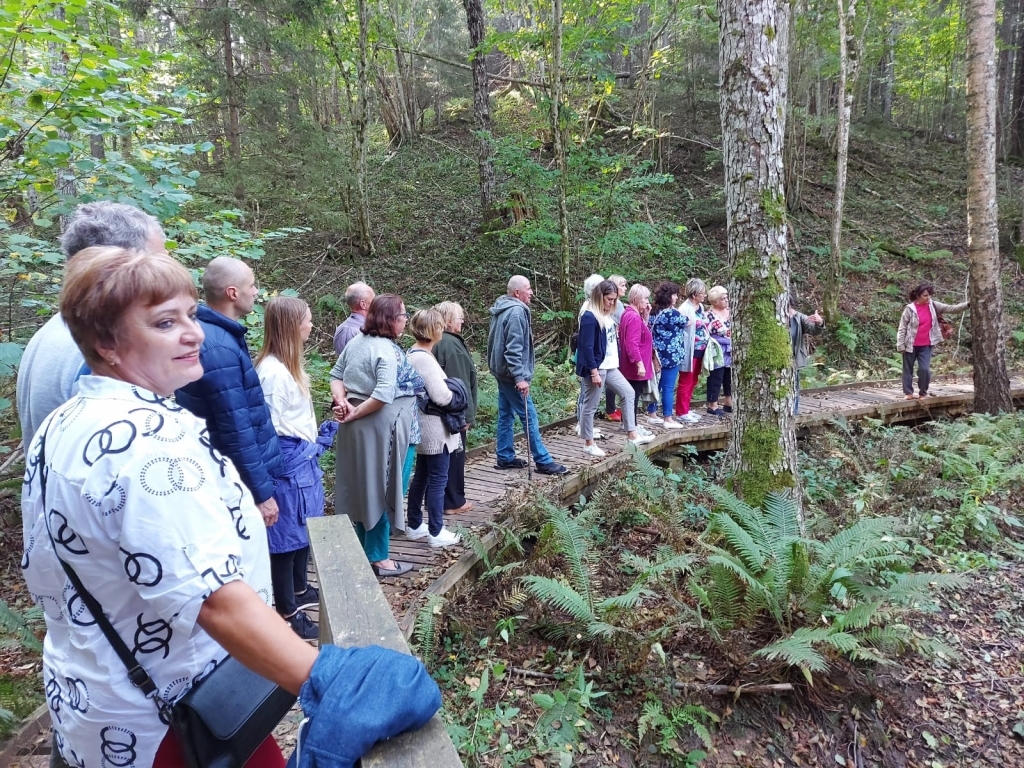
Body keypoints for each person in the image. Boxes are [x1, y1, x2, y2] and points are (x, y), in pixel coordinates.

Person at [23, 246, 317, 768]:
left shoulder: (65, 421)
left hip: (94, 698)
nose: (194, 332)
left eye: (189, 313)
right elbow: (213, 601)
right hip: (175, 715)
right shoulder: (149, 442)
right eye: (164, 322)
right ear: (105, 342)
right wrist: (330, 682)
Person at [16, 201, 165, 449]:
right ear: (122, 267)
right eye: (159, 262)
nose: (170, 273)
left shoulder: (56, 329)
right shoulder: (105, 346)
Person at [176, 257, 284, 529]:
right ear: (232, 293)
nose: (256, 291)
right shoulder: (219, 347)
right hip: (232, 482)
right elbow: (235, 427)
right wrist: (261, 493)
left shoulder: (217, 334)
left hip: (229, 475)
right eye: (252, 285)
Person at [256, 297, 337, 641]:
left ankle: (300, 590)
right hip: (286, 464)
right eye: (307, 320)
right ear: (292, 326)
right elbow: (269, 428)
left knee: (302, 530)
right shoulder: (272, 372)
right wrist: (288, 464)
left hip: (301, 460)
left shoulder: (289, 367)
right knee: (285, 538)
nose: (312, 325)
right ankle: (286, 610)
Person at [331, 294, 418, 578]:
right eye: (402, 315)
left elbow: (336, 375)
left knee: (360, 488)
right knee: (385, 489)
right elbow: (383, 394)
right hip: (384, 429)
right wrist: (353, 412)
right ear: (390, 319)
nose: (405, 320)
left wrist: (342, 402)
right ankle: (379, 557)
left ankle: (362, 549)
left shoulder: (357, 342)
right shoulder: (386, 350)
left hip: (358, 426)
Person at [486, 276, 568, 474]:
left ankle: (505, 456)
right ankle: (542, 460)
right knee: (528, 415)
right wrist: (520, 378)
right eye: (528, 289)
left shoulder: (502, 308)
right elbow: (512, 349)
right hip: (511, 376)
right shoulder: (515, 312)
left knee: (505, 415)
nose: (531, 292)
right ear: (517, 293)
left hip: (502, 372)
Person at [404, 309, 463, 548]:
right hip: (434, 428)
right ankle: (436, 531)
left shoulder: (412, 354)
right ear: (434, 330)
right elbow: (440, 395)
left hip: (425, 425)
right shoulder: (424, 359)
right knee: (438, 479)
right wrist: (456, 395)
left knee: (422, 477)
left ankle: (415, 524)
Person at [577, 280, 654, 458]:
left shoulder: (607, 314)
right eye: (609, 299)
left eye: (614, 299)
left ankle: (632, 434)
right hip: (598, 367)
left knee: (628, 392)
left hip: (611, 366)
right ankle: (589, 443)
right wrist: (594, 371)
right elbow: (587, 347)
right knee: (591, 405)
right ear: (600, 296)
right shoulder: (590, 316)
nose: (612, 302)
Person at [433, 301, 478, 515]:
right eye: (459, 317)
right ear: (449, 320)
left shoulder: (437, 341)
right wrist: (466, 416)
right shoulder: (452, 346)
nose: (462, 320)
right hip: (453, 414)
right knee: (456, 456)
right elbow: (459, 384)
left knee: (441, 458)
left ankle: (442, 499)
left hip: (437, 412)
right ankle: (453, 501)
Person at [896, 283, 968, 400]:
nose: (928, 298)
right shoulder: (910, 309)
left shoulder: (933, 305)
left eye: (929, 295)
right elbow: (902, 327)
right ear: (918, 296)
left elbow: (952, 308)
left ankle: (923, 393)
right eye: (925, 295)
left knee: (924, 369)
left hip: (926, 345)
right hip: (910, 344)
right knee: (907, 369)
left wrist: (968, 304)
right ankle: (908, 393)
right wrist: (900, 344)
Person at [619, 284, 661, 425]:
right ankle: (632, 427)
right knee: (633, 396)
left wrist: (646, 317)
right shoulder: (633, 317)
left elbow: (641, 334)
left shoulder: (629, 313)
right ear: (637, 299)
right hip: (635, 367)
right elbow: (632, 343)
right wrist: (640, 364)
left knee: (631, 396)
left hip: (632, 364)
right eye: (645, 298)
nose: (648, 302)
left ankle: (629, 424)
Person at [648, 282, 688, 430]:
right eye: (674, 295)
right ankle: (668, 418)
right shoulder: (672, 313)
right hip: (672, 355)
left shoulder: (653, 311)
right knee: (669, 387)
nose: (677, 297)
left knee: (657, 384)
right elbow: (687, 322)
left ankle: (652, 413)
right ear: (669, 297)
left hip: (657, 354)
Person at [674, 278, 709, 422]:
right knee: (686, 379)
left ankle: (687, 409)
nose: (705, 295)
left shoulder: (700, 307)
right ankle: (681, 412)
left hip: (701, 348)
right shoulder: (685, 309)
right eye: (702, 293)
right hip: (690, 350)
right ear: (694, 294)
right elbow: (681, 330)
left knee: (694, 379)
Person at [788, 300, 825, 413]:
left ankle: (794, 413)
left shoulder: (798, 317)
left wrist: (819, 322)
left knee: (794, 388)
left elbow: (813, 330)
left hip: (793, 360)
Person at [705, 285, 733, 416]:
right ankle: (712, 405)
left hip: (731, 348)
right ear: (715, 301)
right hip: (717, 348)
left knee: (729, 376)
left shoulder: (730, 311)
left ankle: (729, 402)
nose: (726, 300)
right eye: (723, 298)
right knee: (716, 376)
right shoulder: (709, 316)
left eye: (726, 297)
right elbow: (707, 333)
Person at [604, 274, 628, 422]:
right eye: (622, 285)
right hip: (613, 343)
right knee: (613, 375)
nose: (625, 288)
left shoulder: (618, 303)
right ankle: (610, 409)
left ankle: (611, 408)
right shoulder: (616, 304)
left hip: (616, 342)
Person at [333, 281, 375, 356]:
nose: (376, 304)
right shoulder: (349, 331)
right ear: (363, 304)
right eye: (373, 301)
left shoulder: (365, 327)